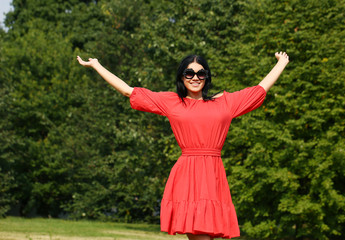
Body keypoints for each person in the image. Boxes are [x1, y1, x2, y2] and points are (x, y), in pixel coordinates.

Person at [77, 52, 289, 240]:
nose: (195, 78)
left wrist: (281, 63)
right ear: (181, 76)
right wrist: (97, 65)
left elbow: (259, 90)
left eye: (200, 73)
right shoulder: (172, 102)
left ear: (207, 77)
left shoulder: (225, 102)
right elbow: (128, 91)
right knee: (200, 235)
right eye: (189, 73)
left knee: (208, 235)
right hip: (189, 175)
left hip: (214, 176)